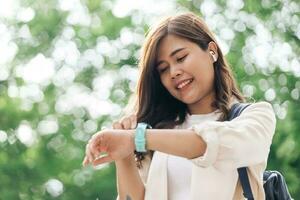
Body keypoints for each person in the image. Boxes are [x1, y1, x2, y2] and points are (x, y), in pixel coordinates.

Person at [82, 12, 276, 200]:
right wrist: (124, 157)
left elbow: (209, 144)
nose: (174, 72)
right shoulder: (159, 130)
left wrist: (135, 138)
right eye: (163, 69)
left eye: (181, 58)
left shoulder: (255, 117)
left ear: (212, 51)